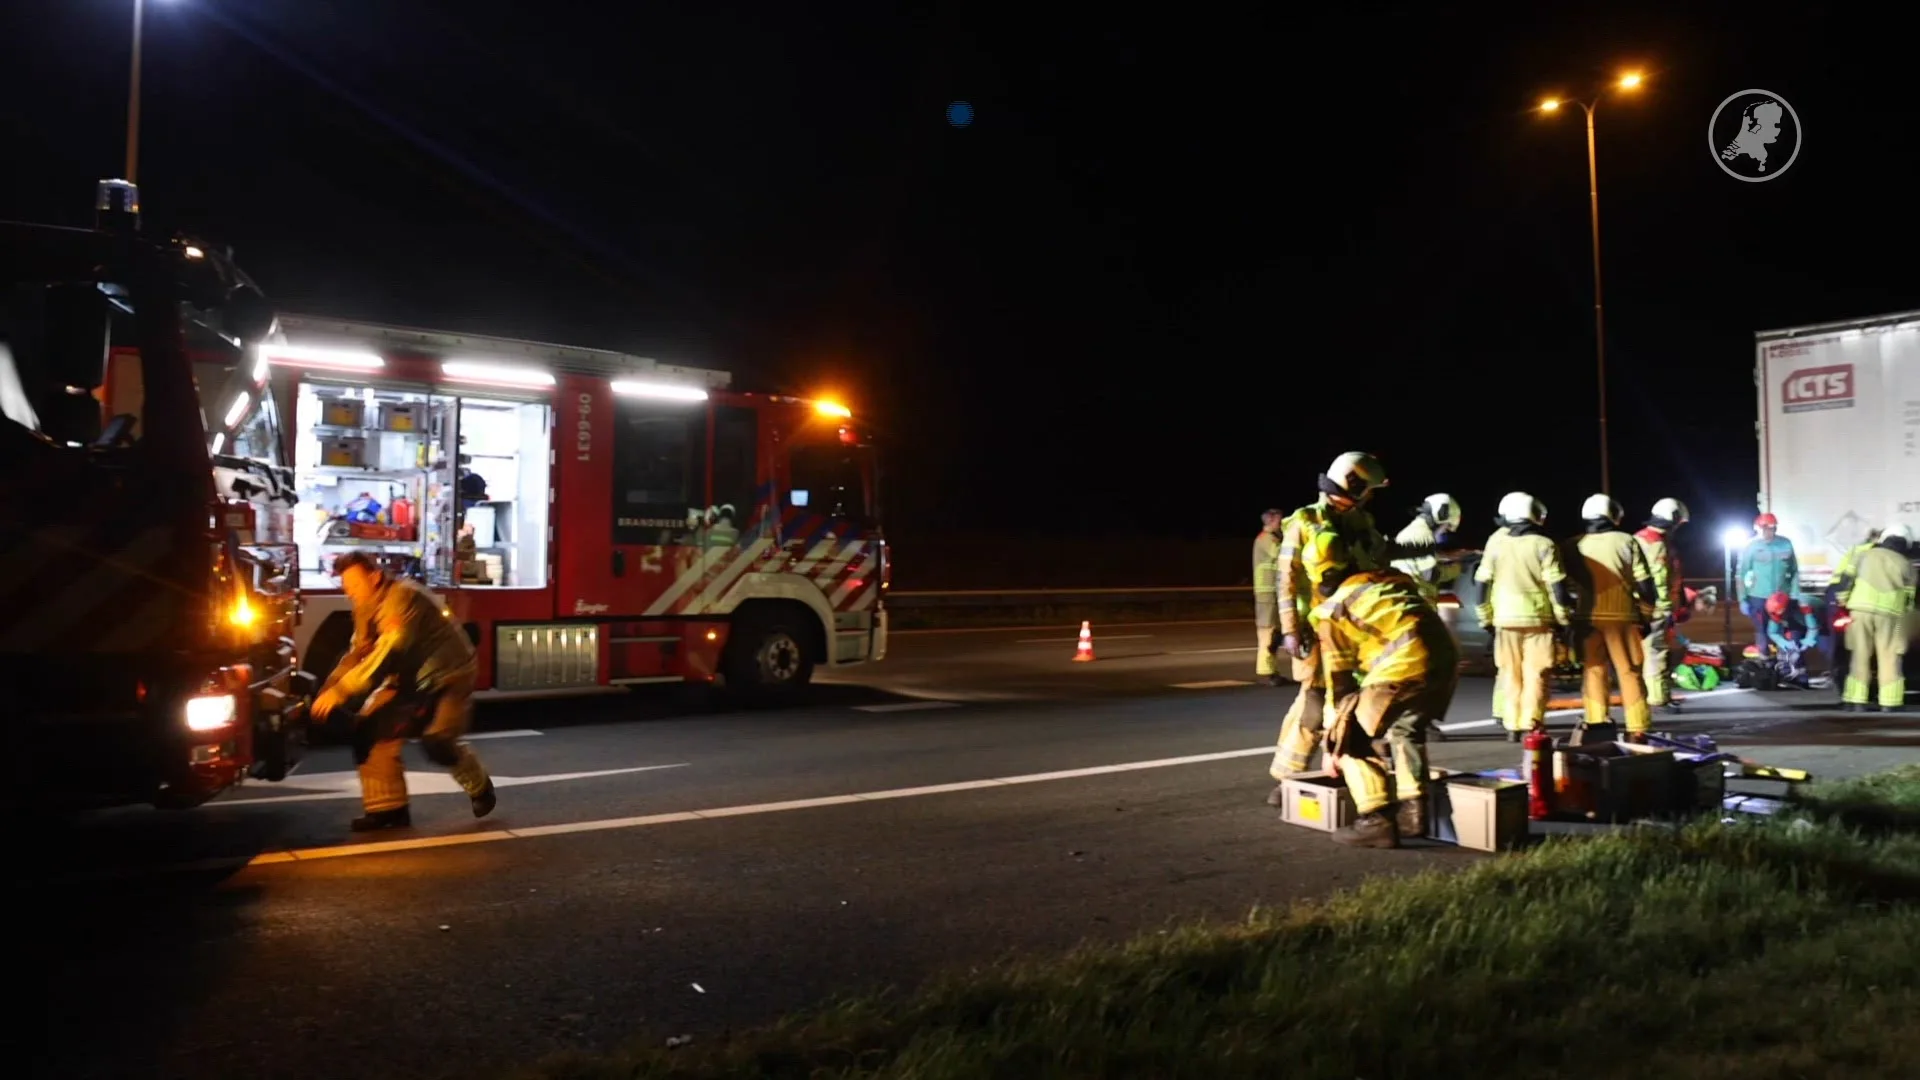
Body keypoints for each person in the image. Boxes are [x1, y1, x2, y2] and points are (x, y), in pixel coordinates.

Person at [1265, 452, 1429, 806]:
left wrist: (1431, 551)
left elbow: (1381, 556)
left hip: (1355, 630)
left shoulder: (1361, 521)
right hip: (1317, 629)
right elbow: (1285, 581)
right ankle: (1286, 779)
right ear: (1353, 484)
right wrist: (1291, 630)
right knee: (1312, 703)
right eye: (1367, 488)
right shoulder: (1305, 522)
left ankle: (1349, 779)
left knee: (1346, 705)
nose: (1370, 496)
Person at [312, 551, 498, 831]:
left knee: (437, 741)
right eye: (346, 588)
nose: (350, 593)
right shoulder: (365, 604)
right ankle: (388, 809)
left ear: (375, 578)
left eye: (354, 586)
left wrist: (341, 692)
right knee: (369, 729)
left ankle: (479, 785)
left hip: (449, 674)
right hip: (408, 678)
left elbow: (387, 651)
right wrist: (328, 687)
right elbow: (358, 653)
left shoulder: (403, 598)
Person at [1313, 568, 1458, 849]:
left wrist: (1332, 744)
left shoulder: (1331, 612)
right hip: (1444, 659)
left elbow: (1339, 682)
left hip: (1403, 666)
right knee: (1407, 730)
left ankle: (1374, 820)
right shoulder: (1388, 583)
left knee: (1351, 738)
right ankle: (1415, 814)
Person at [1475, 492, 1572, 742]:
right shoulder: (1544, 545)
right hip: (1538, 620)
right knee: (1536, 674)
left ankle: (1512, 726)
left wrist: (1485, 618)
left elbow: (1482, 583)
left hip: (1504, 620)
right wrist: (1563, 619)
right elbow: (1557, 587)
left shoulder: (1495, 544)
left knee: (1509, 673)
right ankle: (1532, 724)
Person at [1564, 494, 1657, 738]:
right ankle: (1638, 727)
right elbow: (1646, 586)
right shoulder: (1627, 541)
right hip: (1622, 618)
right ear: (1613, 515)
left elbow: (1560, 585)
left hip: (1586, 619)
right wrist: (1646, 616)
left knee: (1593, 671)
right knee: (1629, 672)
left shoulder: (1573, 545)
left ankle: (1597, 724)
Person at [1837, 524, 1915, 713]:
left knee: (1859, 655)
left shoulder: (1863, 555)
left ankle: (1856, 701)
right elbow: (1909, 598)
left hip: (1860, 612)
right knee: (1890, 657)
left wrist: (1843, 602)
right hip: (1892, 616)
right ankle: (1890, 702)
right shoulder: (1907, 565)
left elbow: (1846, 581)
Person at [1635, 498, 1690, 713]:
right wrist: (1668, 610)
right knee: (1656, 653)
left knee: (1645, 653)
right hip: (1656, 609)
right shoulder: (1657, 545)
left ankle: (1648, 694)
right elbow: (1661, 581)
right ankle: (1658, 699)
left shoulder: (1638, 539)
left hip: (1639, 607)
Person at [1736, 513, 1799, 655]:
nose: (1768, 532)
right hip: (1758, 596)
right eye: (1764, 529)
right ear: (1758, 529)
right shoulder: (1751, 546)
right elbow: (1742, 574)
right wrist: (1743, 598)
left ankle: (1784, 664)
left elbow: (1794, 570)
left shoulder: (1785, 544)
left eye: (1771, 528)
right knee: (1761, 632)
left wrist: (1794, 592)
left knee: (1781, 631)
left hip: (1780, 598)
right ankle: (1764, 662)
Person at [1825, 528, 1883, 677]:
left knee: (1842, 637)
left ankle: (1839, 672)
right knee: (1841, 637)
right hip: (1842, 592)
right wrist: (1843, 600)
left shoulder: (1859, 549)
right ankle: (1838, 670)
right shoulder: (1871, 551)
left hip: (1839, 591)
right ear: (1877, 539)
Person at [1392, 493, 1465, 603]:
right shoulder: (1425, 536)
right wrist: (1457, 569)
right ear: (1440, 516)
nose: (1446, 531)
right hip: (1418, 600)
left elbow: (1418, 556)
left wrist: (1449, 556)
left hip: (1406, 595)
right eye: (1448, 525)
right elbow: (1431, 575)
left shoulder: (1413, 530)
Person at [1252, 509, 1285, 684]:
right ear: (1270, 521)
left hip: (1273, 591)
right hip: (1267, 593)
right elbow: (1281, 554)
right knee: (1268, 632)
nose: (1282, 524)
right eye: (1280, 521)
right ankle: (1266, 673)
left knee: (1275, 633)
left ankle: (1272, 671)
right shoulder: (1266, 539)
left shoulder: (1271, 538)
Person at [1761, 591, 1819, 688]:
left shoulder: (1803, 606)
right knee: (1791, 643)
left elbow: (1813, 627)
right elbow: (1772, 632)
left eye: (1779, 613)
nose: (1777, 615)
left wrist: (1808, 642)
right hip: (1797, 624)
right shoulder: (1775, 610)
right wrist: (1783, 642)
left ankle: (1801, 679)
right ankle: (1790, 675)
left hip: (1819, 618)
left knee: (1798, 646)